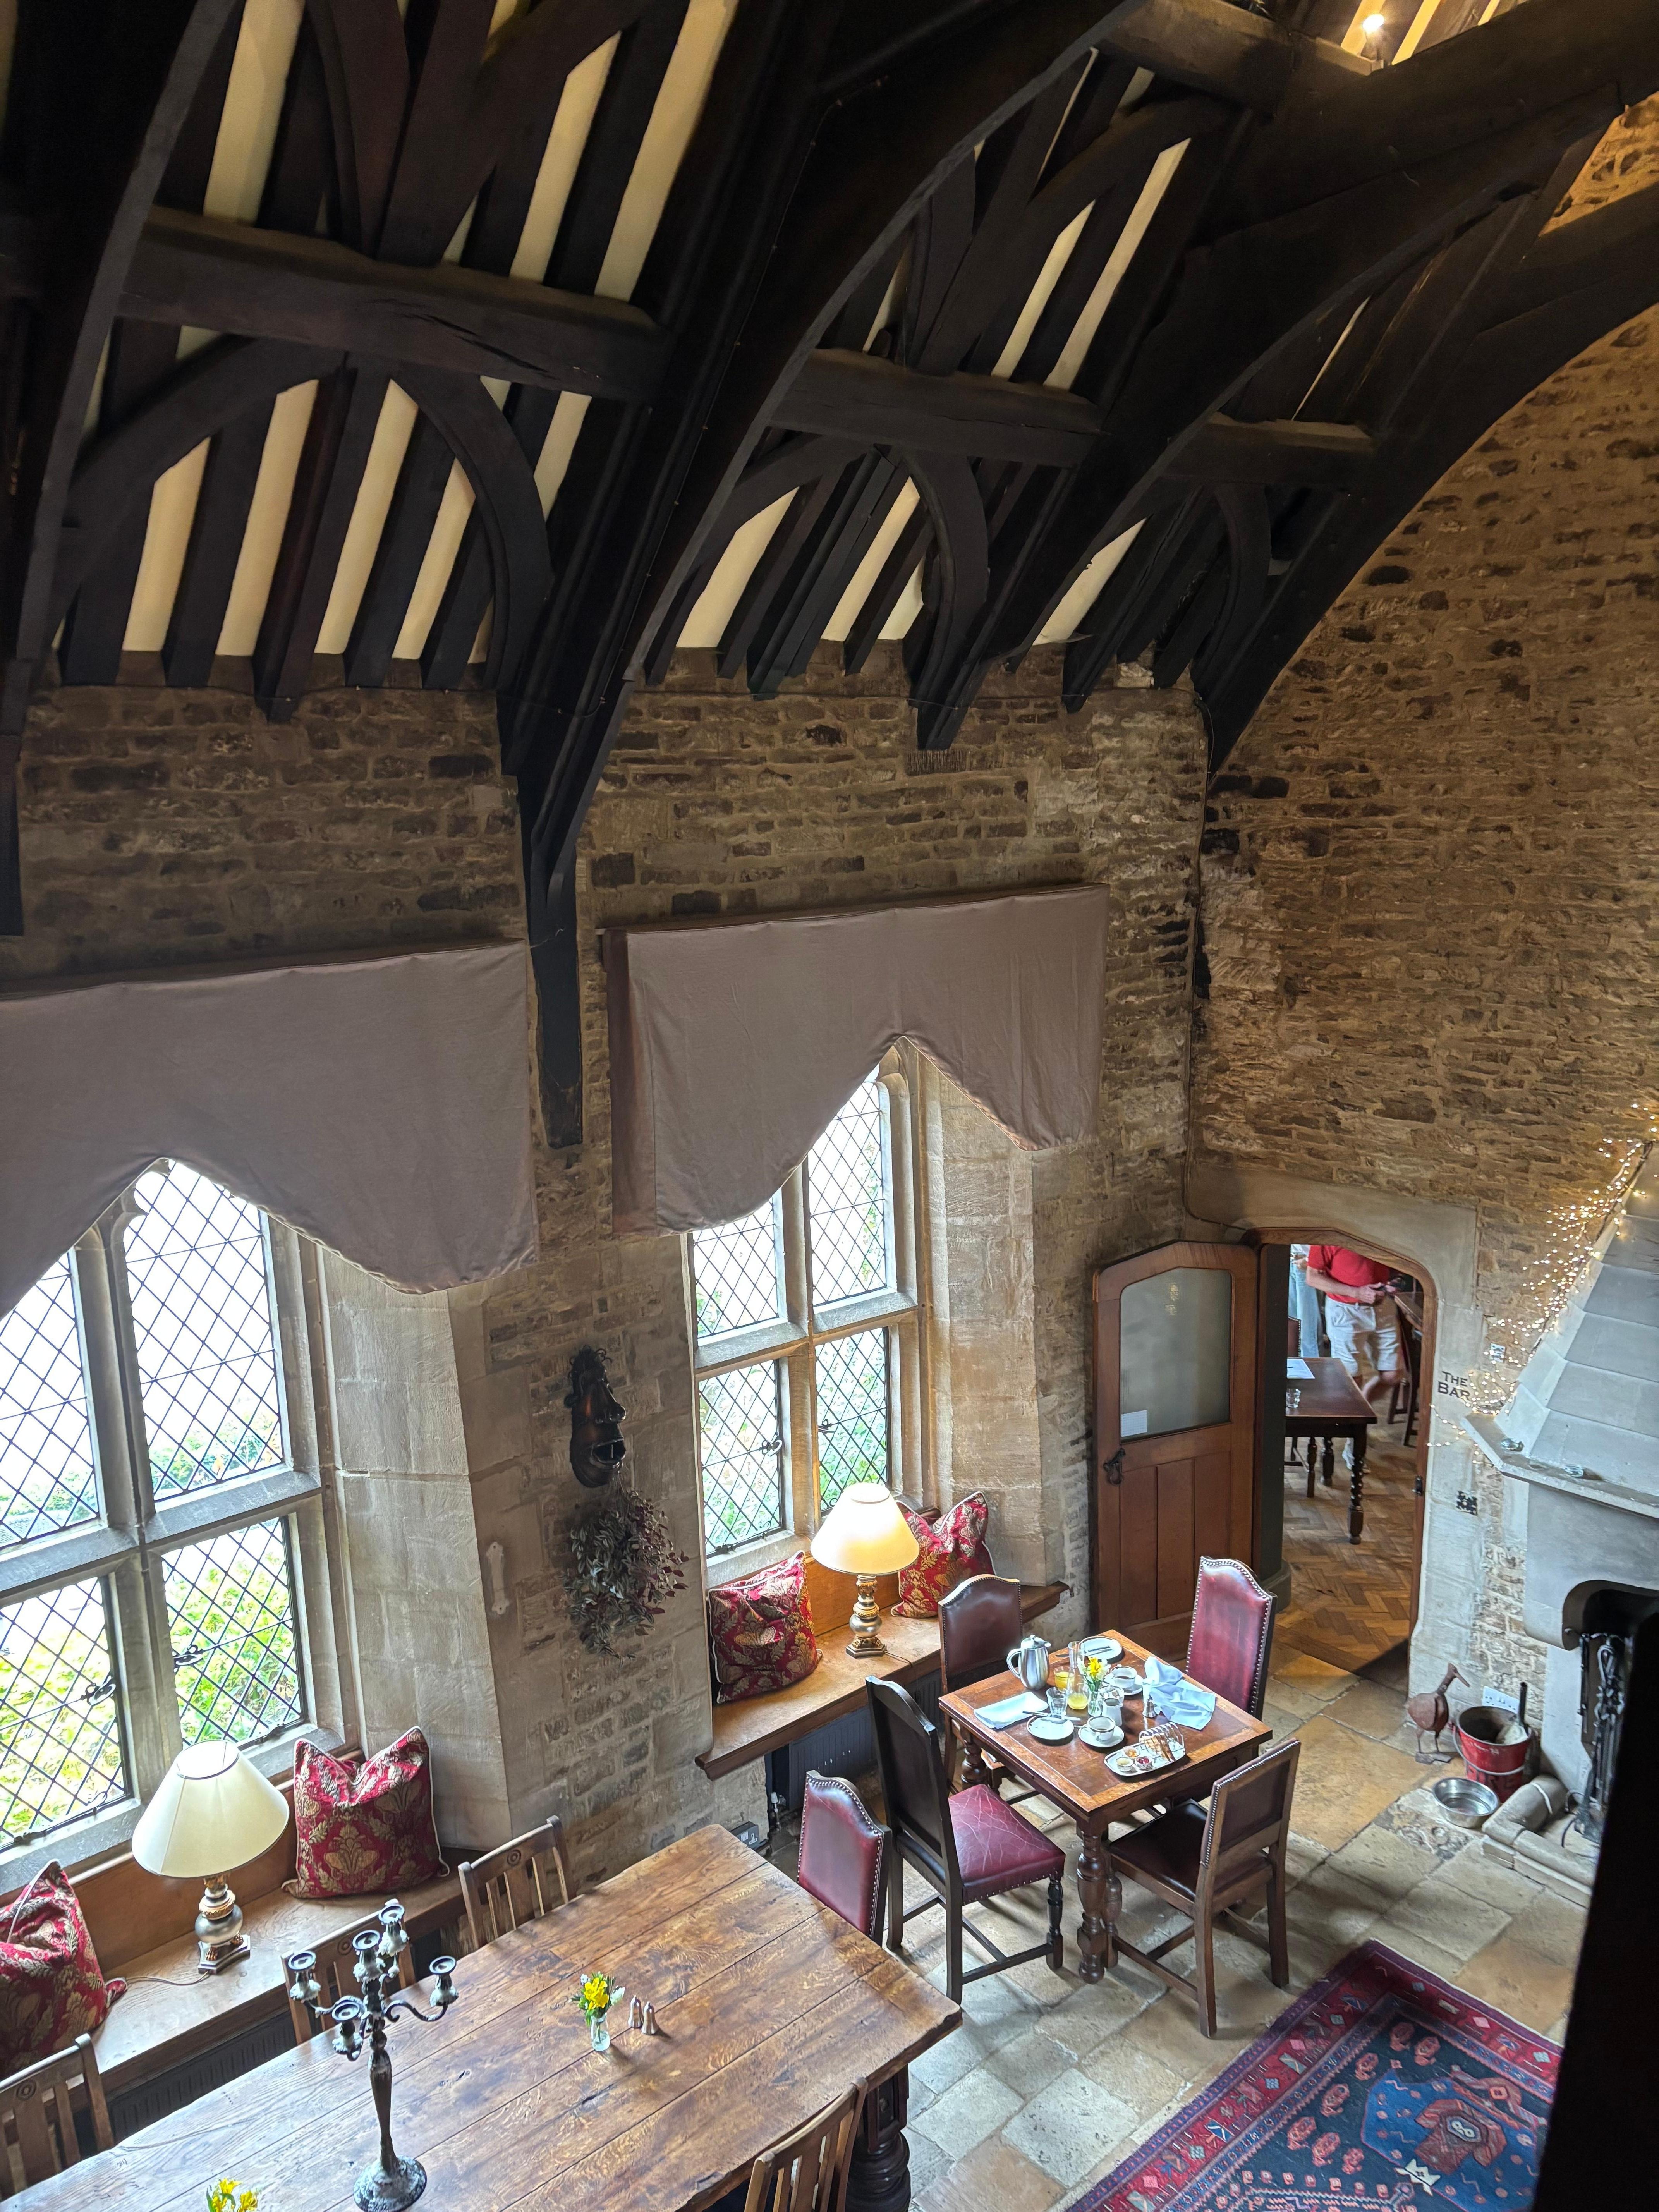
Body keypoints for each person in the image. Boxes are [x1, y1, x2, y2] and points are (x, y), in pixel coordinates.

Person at [1304, 1245, 1408, 1423]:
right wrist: (1357, 1292)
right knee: (1351, 1379)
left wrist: (1393, 1282)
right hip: (1345, 1310)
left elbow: (1393, 1267)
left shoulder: (1383, 1233)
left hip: (1383, 1307)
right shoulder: (1329, 1237)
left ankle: (1362, 1406)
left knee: (1392, 1375)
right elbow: (1312, 1278)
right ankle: (1353, 1433)